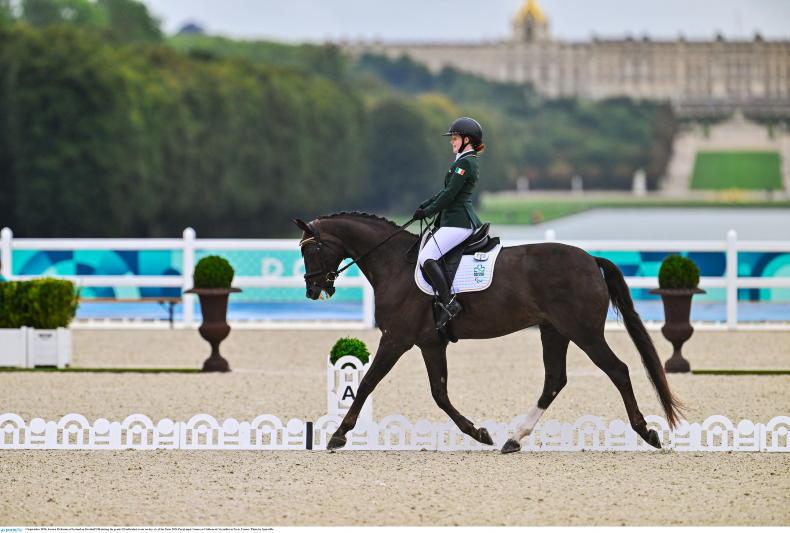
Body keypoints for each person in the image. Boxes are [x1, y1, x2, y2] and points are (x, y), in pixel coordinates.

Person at [413, 116, 484, 329]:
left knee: (426, 257)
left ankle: (449, 303)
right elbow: (445, 191)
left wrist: (428, 211)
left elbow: (450, 195)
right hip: (454, 220)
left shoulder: (465, 162)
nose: (452, 141)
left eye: (455, 137)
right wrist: (425, 205)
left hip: (458, 221)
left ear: (467, 140)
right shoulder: (463, 161)